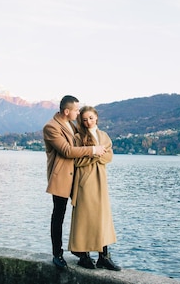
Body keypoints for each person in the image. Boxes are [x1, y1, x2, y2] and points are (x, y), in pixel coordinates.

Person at [44, 95, 106, 270]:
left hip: (78, 177)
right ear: (67, 111)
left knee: (87, 213)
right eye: (77, 110)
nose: (78, 113)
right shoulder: (51, 127)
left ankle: (87, 253)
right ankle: (57, 254)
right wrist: (94, 150)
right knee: (59, 215)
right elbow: (67, 150)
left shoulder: (72, 125)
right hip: (62, 178)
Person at [68, 106, 121, 271]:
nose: (88, 122)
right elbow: (77, 161)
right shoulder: (78, 138)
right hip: (85, 182)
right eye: (84, 119)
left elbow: (109, 156)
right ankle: (84, 256)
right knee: (85, 218)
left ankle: (103, 257)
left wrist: (94, 154)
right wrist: (94, 154)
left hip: (101, 182)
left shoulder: (104, 136)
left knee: (102, 218)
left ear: (96, 118)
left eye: (90, 118)